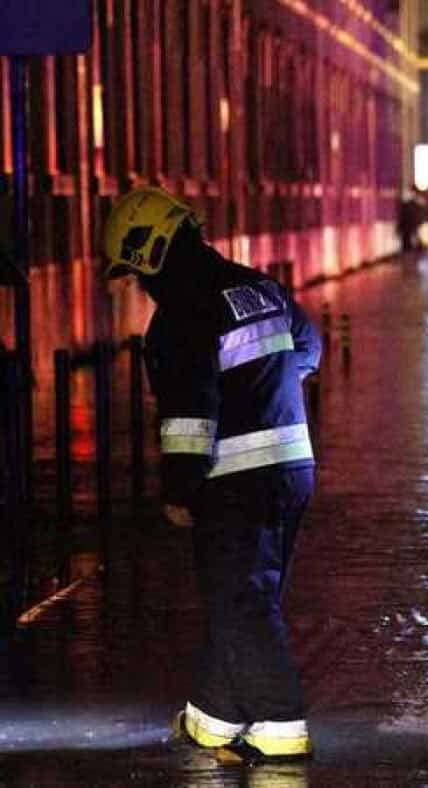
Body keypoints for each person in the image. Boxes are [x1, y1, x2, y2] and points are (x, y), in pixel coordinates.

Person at [101, 187, 322, 764]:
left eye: (133, 271)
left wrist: (179, 489)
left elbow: (189, 418)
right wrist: (265, 392)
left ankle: (279, 723)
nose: (137, 285)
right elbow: (310, 347)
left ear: (148, 253)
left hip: (234, 478)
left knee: (240, 602)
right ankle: (215, 715)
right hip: (293, 468)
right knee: (250, 595)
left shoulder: (180, 316)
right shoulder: (258, 286)